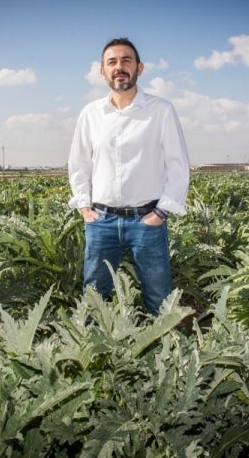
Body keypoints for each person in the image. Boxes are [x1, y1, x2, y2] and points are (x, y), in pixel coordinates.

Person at [67, 37, 190, 315]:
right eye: (112, 62)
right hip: (101, 222)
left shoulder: (161, 111)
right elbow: (79, 164)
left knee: (158, 297)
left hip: (147, 221)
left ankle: (164, 352)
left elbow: (178, 166)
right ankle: (91, 355)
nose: (119, 67)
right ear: (102, 71)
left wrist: (160, 213)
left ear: (139, 68)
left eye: (126, 60)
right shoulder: (91, 114)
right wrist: (85, 208)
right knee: (94, 297)